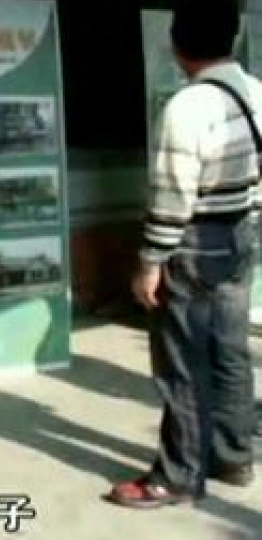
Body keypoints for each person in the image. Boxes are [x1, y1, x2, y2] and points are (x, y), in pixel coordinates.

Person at [112, 0, 258, 509]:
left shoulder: (186, 107)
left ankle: (177, 476)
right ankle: (234, 456)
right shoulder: (256, 93)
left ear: (177, 45)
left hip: (194, 245)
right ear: (233, 39)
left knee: (181, 361)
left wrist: (151, 262)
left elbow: (173, 195)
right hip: (239, 236)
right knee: (230, 351)